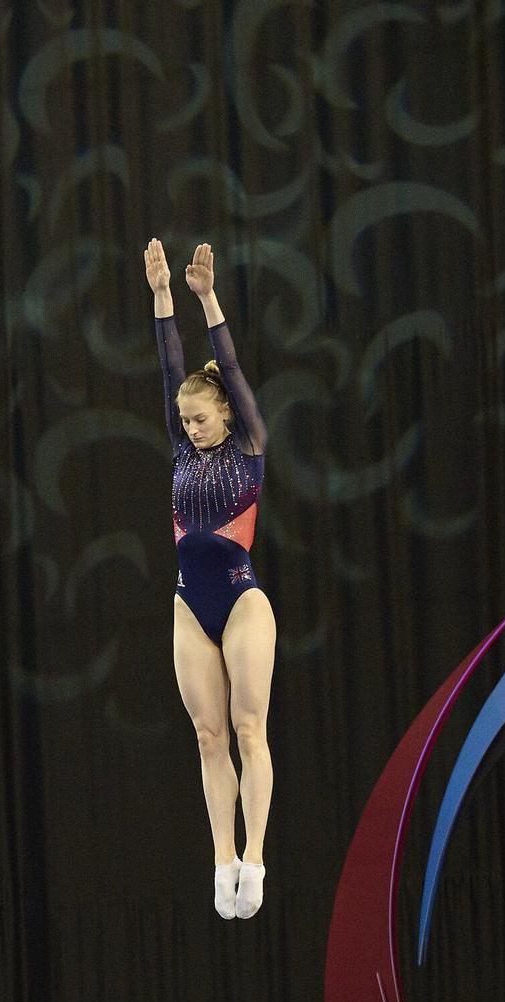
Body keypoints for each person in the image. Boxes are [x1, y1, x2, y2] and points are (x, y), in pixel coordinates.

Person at [143, 240, 275, 919]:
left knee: (249, 729)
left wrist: (203, 299)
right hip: (191, 605)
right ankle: (223, 856)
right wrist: (161, 296)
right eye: (186, 421)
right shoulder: (178, 444)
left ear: (225, 414)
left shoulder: (248, 443)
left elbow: (228, 365)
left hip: (243, 598)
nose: (190, 428)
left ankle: (255, 857)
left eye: (200, 418)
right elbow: (172, 375)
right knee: (208, 735)